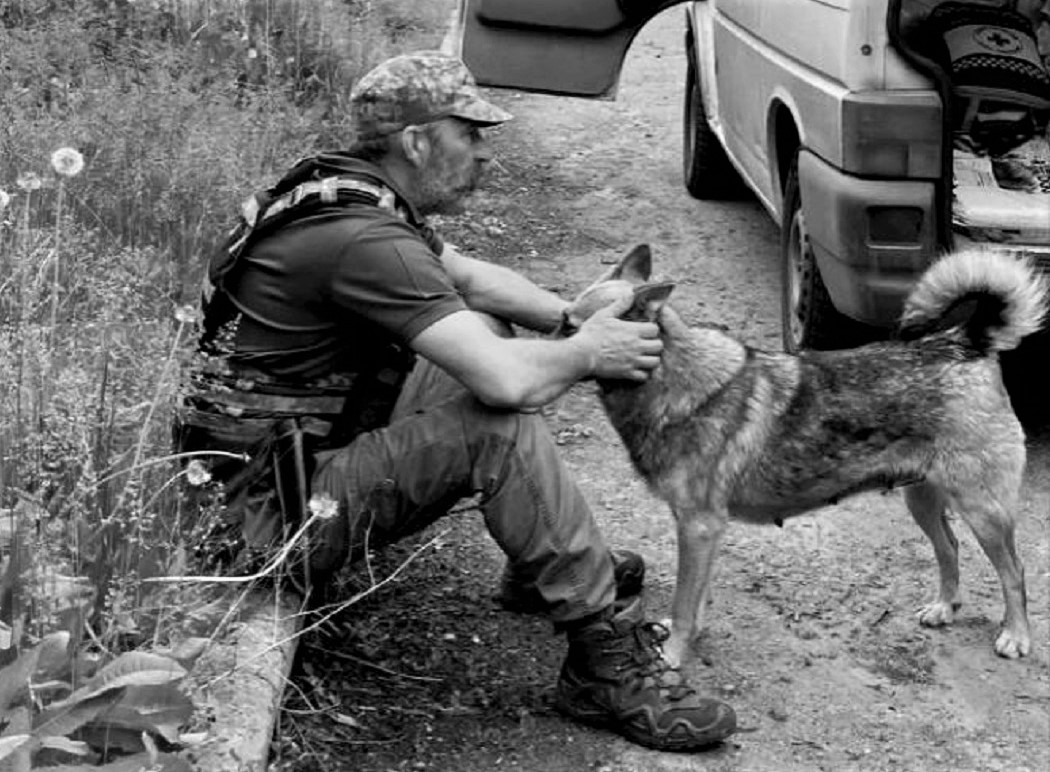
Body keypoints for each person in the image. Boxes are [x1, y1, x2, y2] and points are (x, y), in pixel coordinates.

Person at [175, 50, 737, 753]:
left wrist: (573, 319)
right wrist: (592, 353)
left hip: (283, 466)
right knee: (493, 419)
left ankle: (547, 560)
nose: (484, 152)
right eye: (468, 133)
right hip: (263, 519)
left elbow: (473, 283)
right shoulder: (361, 238)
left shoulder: (348, 195)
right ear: (417, 142)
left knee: (493, 339)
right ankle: (602, 660)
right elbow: (508, 384)